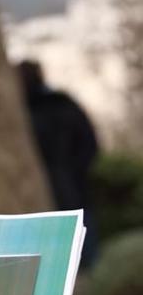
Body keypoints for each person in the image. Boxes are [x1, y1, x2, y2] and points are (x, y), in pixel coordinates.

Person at [17, 60, 99, 265]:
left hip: (70, 186)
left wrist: (75, 171)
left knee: (80, 244)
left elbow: (88, 144)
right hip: (62, 185)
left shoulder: (56, 106)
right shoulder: (33, 110)